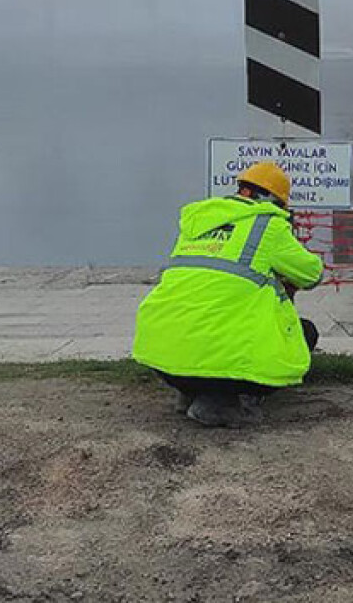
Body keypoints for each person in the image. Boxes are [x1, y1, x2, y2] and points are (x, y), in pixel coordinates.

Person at [132, 161, 324, 427]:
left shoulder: (197, 222)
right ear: (277, 203)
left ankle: (190, 393)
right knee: (305, 333)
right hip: (220, 366)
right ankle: (220, 404)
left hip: (161, 357)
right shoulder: (268, 225)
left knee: (210, 320)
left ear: (241, 190)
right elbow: (312, 274)